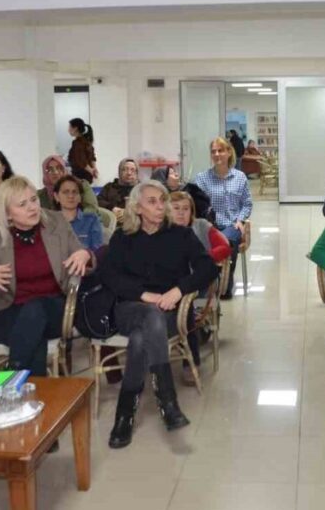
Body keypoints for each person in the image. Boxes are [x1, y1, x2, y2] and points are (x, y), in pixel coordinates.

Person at [99, 181, 218, 448]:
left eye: (162, 200)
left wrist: (179, 290)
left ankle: (124, 414)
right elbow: (108, 275)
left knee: (142, 337)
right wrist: (143, 296)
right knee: (148, 317)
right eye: (152, 201)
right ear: (137, 208)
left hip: (170, 313)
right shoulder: (123, 237)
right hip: (129, 309)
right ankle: (168, 402)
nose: (160, 206)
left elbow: (209, 268)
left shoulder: (181, 235)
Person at [0, 176, 93, 377]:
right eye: (23, 204)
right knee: (34, 338)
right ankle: (31, 397)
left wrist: (85, 254)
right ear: (7, 213)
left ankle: (11, 374)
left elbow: (84, 258)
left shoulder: (56, 222)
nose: (33, 208)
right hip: (7, 312)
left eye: (34, 200)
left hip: (55, 310)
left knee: (35, 309)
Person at [170, 190, 231, 380]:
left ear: (192, 211)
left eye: (185, 209)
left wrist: (203, 260)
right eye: (176, 208)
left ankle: (190, 356)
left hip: (200, 282)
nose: (181, 213)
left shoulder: (201, 226)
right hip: (171, 283)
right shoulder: (163, 231)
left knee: (185, 300)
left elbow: (224, 246)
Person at [193, 136, 253, 299]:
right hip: (209, 224)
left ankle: (225, 281)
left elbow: (247, 204)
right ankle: (213, 281)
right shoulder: (202, 178)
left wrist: (240, 220)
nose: (217, 154)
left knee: (226, 240)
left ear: (228, 153)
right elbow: (197, 204)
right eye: (213, 151)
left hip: (232, 224)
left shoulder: (240, 177)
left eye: (221, 150)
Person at [54, 175, 105, 251]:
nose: (71, 196)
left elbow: (98, 252)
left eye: (75, 192)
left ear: (80, 197)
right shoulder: (49, 222)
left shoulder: (91, 220)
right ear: (56, 196)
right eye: (66, 192)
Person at [68, 118, 98, 182]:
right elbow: (92, 157)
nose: (68, 130)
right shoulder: (87, 141)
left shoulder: (77, 143)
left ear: (75, 128)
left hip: (80, 177)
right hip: (87, 177)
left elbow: (81, 161)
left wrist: (92, 171)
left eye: (70, 127)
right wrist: (94, 169)